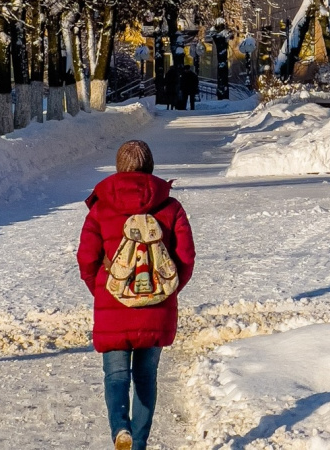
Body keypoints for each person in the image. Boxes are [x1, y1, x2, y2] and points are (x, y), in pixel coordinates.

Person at [77, 140, 196, 450]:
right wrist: (167, 291)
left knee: (116, 376)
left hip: (112, 304)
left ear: (118, 168)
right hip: (156, 306)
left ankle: (120, 430)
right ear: (151, 167)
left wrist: (103, 290)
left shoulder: (101, 208)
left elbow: (87, 258)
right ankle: (139, 444)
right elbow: (186, 256)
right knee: (146, 378)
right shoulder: (170, 207)